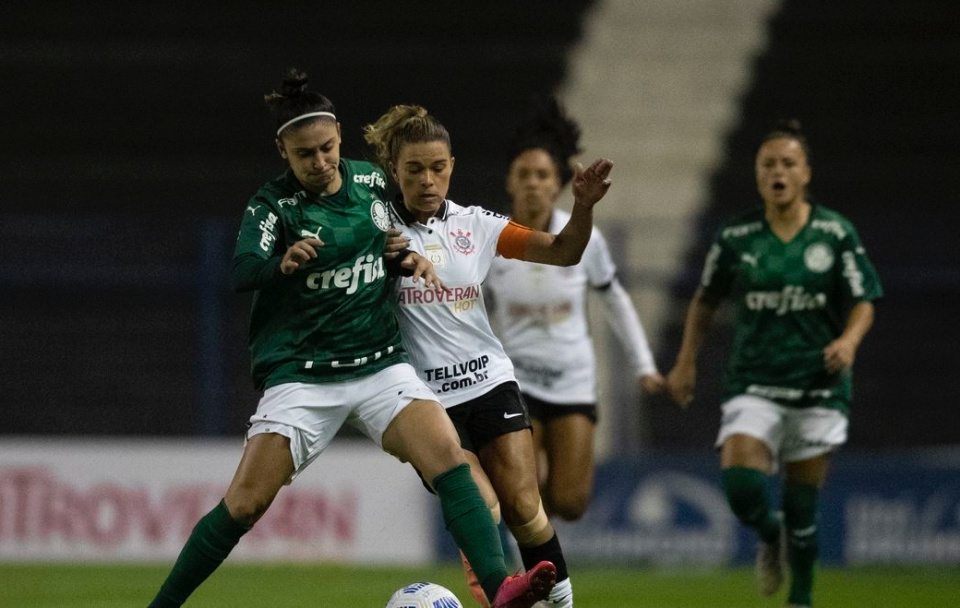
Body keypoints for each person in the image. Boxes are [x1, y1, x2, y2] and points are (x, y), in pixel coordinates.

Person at [147, 69, 555, 608]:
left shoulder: (368, 183)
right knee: (244, 505)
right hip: (304, 376)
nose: (319, 162)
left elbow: (388, 240)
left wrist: (407, 259)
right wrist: (281, 264)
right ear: (282, 152)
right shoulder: (273, 207)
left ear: (339, 136)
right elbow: (243, 269)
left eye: (327, 148)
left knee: (450, 460)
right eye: (304, 154)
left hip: (380, 365)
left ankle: (501, 587)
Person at [364, 103, 615, 608]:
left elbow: (565, 251)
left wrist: (584, 207)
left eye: (437, 168)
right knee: (483, 504)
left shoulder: (476, 225)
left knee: (526, 506)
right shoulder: (375, 229)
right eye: (414, 169)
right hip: (423, 401)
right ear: (394, 171)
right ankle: (501, 595)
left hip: (489, 383)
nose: (428, 180)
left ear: (452, 166)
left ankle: (561, 605)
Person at [665, 119, 882, 608]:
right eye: (768, 164)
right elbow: (705, 299)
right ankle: (769, 530)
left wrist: (848, 341)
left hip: (818, 384)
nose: (778, 171)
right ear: (757, 174)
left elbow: (865, 298)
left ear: (805, 173)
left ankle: (800, 598)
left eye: (788, 163)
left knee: (804, 506)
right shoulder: (738, 235)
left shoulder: (834, 232)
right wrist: (685, 361)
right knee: (741, 486)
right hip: (754, 382)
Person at [485, 97, 664, 522]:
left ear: (558, 183)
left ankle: (535, 531)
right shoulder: (489, 238)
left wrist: (643, 364)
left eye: (542, 174)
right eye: (523, 174)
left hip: (573, 381)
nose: (532, 182)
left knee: (570, 503)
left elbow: (614, 298)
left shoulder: (584, 239)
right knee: (521, 492)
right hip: (516, 382)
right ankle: (532, 569)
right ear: (509, 182)